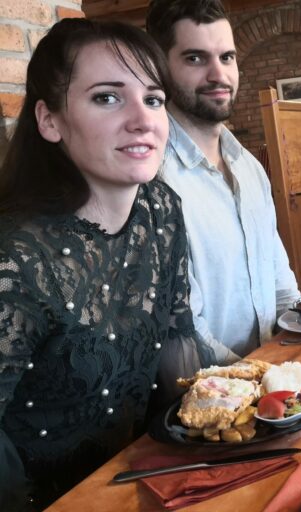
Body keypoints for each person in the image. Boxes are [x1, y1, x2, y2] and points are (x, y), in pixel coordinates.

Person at [0, 19, 213, 510]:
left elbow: (176, 346)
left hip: (147, 478)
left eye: (153, 99)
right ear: (50, 120)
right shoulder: (16, 258)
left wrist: (211, 441)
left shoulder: (161, 209)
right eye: (107, 97)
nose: (143, 120)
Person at [146, 0, 300, 363]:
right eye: (195, 58)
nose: (219, 75)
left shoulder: (250, 167)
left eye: (227, 57)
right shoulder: (153, 180)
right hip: (212, 389)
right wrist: (262, 377)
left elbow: (281, 286)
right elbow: (185, 331)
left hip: (274, 376)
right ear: (160, 67)